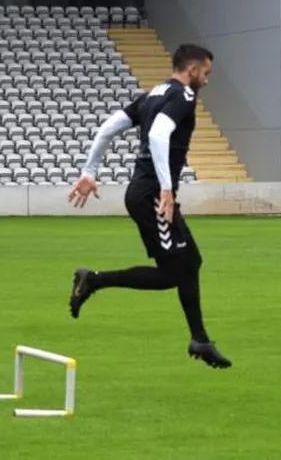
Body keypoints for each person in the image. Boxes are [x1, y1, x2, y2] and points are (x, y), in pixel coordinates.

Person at [65, 44, 232, 369]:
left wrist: (89, 171)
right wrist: (167, 189)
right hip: (152, 196)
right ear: (192, 69)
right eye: (207, 73)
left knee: (192, 262)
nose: (208, 80)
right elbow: (158, 136)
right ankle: (93, 280)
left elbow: (107, 128)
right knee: (173, 273)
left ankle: (200, 339)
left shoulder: (151, 96)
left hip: (148, 193)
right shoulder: (183, 96)